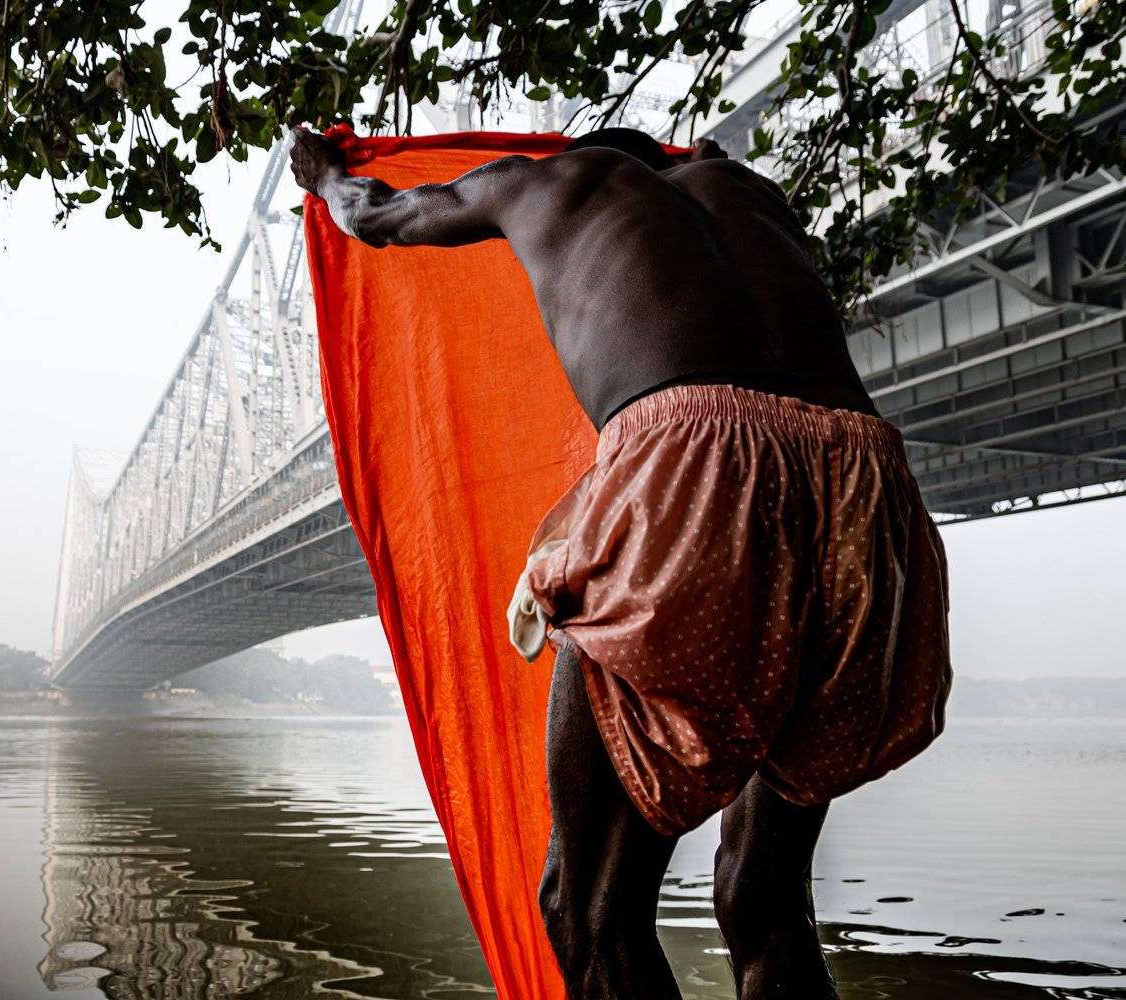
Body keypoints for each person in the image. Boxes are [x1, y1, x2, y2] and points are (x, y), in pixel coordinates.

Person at [290, 124, 952, 1000]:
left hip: (696, 475)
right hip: (867, 492)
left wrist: (326, 175)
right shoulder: (754, 196)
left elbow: (374, 217)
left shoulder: (537, 183)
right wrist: (711, 162)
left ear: (586, 158)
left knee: (590, 911)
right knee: (765, 899)